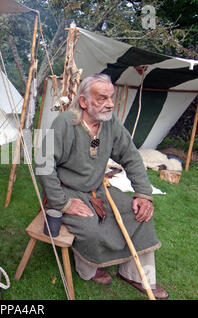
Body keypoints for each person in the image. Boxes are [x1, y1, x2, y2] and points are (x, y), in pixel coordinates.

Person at [36, 73, 169, 299]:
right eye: (102, 98)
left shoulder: (110, 123)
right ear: (84, 101)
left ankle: (135, 274)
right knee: (88, 226)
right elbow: (43, 163)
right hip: (66, 190)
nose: (109, 104)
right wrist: (63, 202)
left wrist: (144, 194)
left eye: (111, 98)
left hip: (98, 189)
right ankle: (90, 268)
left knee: (140, 213)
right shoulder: (65, 123)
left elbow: (131, 156)